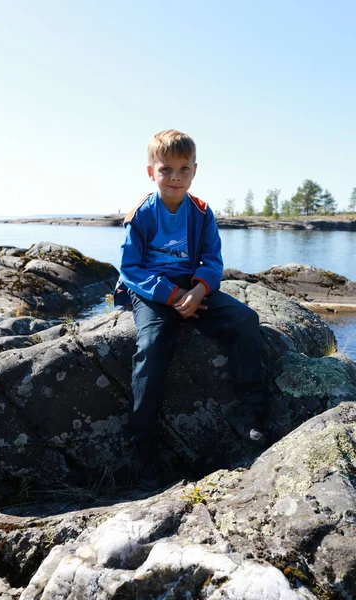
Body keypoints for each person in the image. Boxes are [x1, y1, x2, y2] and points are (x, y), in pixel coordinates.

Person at [115, 129, 267, 490]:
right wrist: (170, 297)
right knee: (152, 347)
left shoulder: (200, 212)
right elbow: (131, 269)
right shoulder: (141, 215)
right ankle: (144, 444)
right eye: (166, 169)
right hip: (152, 291)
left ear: (195, 171)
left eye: (184, 169)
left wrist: (199, 291)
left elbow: (213, 260)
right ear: (151, 172)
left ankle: (252, 411)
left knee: (245, 320)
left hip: (194, 286)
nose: (175, 177)